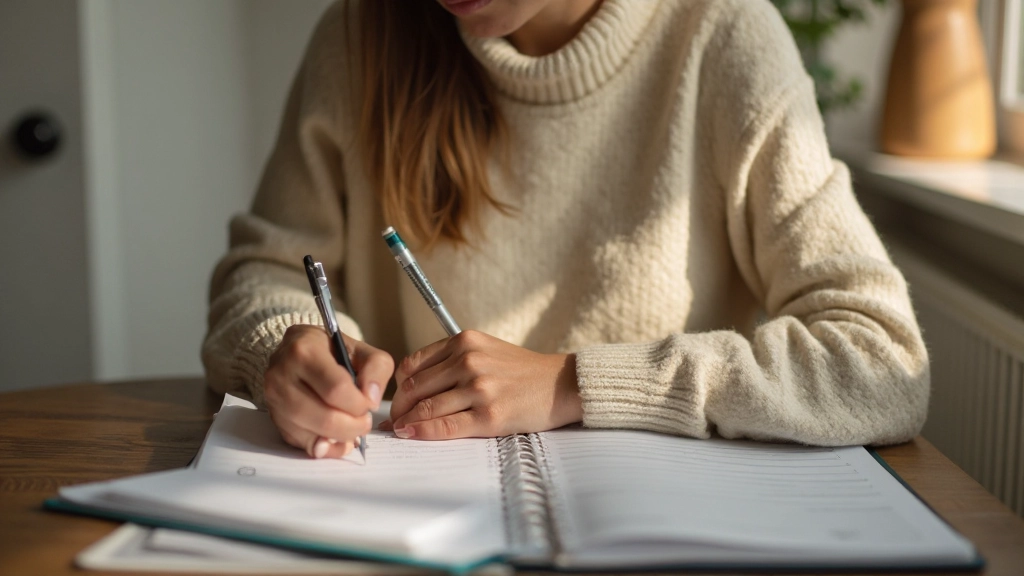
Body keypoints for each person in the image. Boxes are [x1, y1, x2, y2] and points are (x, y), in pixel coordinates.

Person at [202, 0, 929, 460]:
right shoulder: (360, 36)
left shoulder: (723, 36)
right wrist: (286, 346)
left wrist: (573, 383)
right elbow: (262, 273)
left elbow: (881, 362)